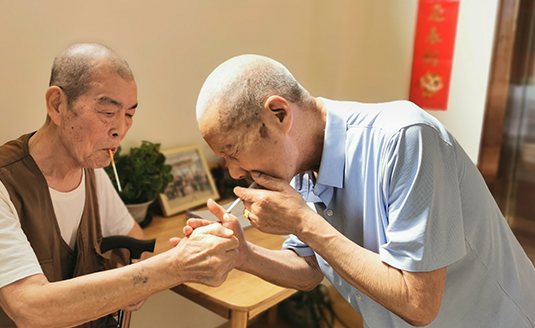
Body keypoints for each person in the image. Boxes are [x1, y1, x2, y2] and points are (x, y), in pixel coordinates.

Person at [187, 54, 535, 327]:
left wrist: (303, 221)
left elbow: (419, 303)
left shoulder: (406, 139)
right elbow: (309, 268)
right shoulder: (297, 165)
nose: (234, 171)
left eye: (233, 152)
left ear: (278, 114)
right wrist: (243, 254)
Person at [0, 43, 239, 328]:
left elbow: (133, 241)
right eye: (107, 112)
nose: (120, 129)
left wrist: (170, 257)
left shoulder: (91, 172)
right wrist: (172, 267)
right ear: (57, 105)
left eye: (130, 114)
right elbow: (29, 307)